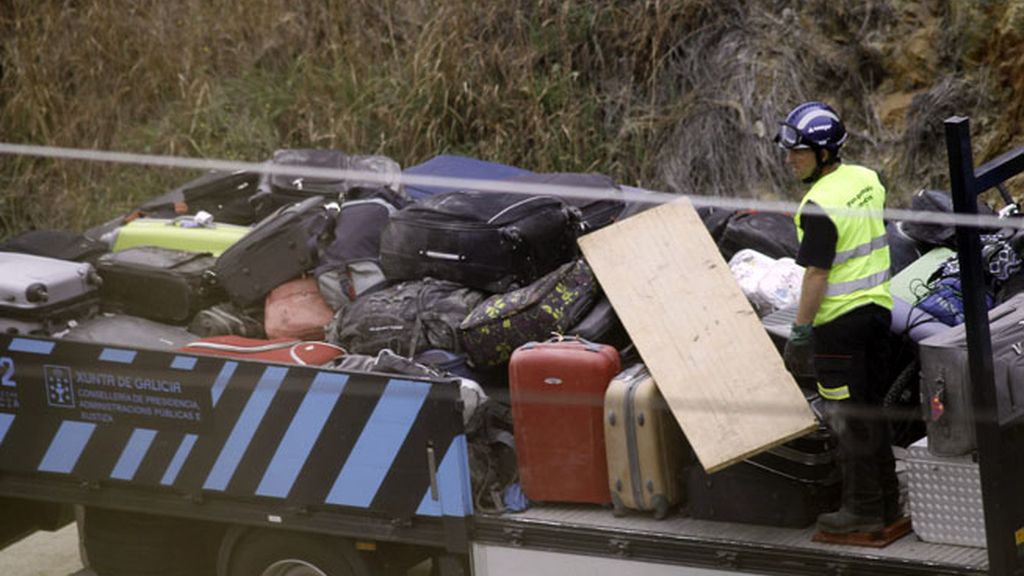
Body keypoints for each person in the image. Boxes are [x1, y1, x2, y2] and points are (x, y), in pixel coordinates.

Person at [777, 101, 899, 534]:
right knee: (872, 411)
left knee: (847, 419)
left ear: (825, 153)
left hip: (839, 328)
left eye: (799, 151)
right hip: (878, 315)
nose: (790, 159)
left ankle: (862, 510)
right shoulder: (868, 179)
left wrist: (801, 332)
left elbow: (816, 274)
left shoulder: (818, 204)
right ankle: (887, 502)